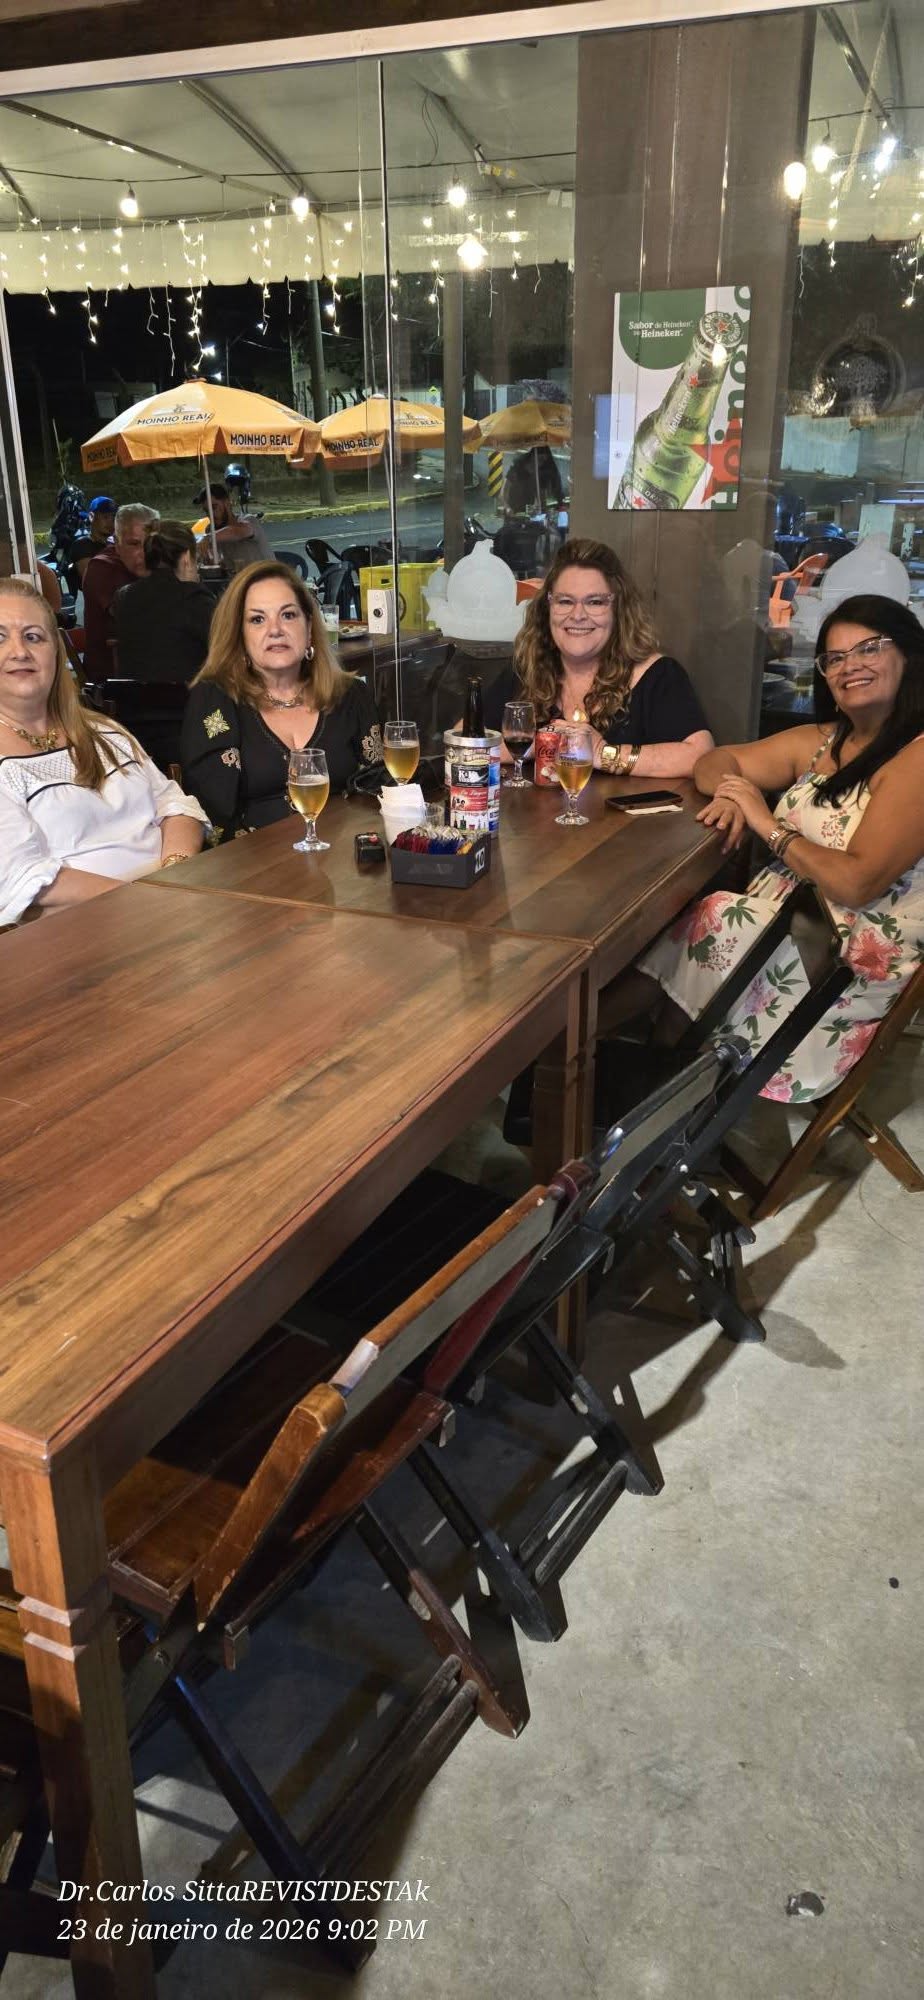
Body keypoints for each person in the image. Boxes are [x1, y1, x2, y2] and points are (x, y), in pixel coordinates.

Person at [603, 593, 924, 1101]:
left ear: (908, 655)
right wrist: (732, 794)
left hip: (839, 962)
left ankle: (586, 1059)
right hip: (782, 927)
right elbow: (714, 762)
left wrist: (766, 824)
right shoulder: (824, 741)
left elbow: (856, 882)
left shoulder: (917, 757)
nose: (850, 667)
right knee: (705, 923)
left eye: (869, 649)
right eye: (835, 658)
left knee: (714, 921)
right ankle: (630, 1076)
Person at [0, 578, 207, 928]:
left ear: (55, 653)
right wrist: (147, 900)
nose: (20, 651)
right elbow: (24, 879)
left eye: (33, 636)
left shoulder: (105, 732)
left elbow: (175, 805)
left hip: (177, 907)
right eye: (0, 637)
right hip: (83, 935)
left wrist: (175, 873)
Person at [181, 560, 385, 838]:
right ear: (239, 636)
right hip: (251, 859)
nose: (275, 629)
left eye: (288, 615)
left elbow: (378, 792)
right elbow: (214, 818)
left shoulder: (350, 695)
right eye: (257, 619)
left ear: (309, 627)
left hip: (343, 852)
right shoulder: (215, 701)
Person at [482, 537, 714, 778]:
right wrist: (528, 748)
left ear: (618, 609)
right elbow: (465, 743)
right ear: (547, 608)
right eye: (565, 601)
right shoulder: (527, 668)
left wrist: (601, 753)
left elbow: (700, 757)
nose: (578, 615)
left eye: (594, 602)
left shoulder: (658, 675)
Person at [113, 520, 215, 684]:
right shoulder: (194, 599)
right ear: (187, 558)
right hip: (186, 698)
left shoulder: (125, 596)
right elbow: (228, 650)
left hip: (133, 698)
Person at [82, 502, 159, 679]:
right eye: (134, 544)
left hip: (148, 670)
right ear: (117, 542)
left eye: (150, 543)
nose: (144, 552)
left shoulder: (157, 561)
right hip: (112, 680)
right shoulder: (101, 567)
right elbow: (140, 617)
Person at [195, 480, 273, 576]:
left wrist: (208, 538)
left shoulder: (249, 520)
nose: (211, 514)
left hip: (267, 578)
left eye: (214, 507)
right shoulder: (212, 531)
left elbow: (235, 531)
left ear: (227, 502)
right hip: (239, 581)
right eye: (207, 511)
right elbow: (219, 563)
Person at [68, 495, 117, 588]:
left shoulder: (113, 543)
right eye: (105, 517)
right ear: (91, 517)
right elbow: (93, 582)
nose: (111, 522)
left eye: (113, 518)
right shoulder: (82, 545)